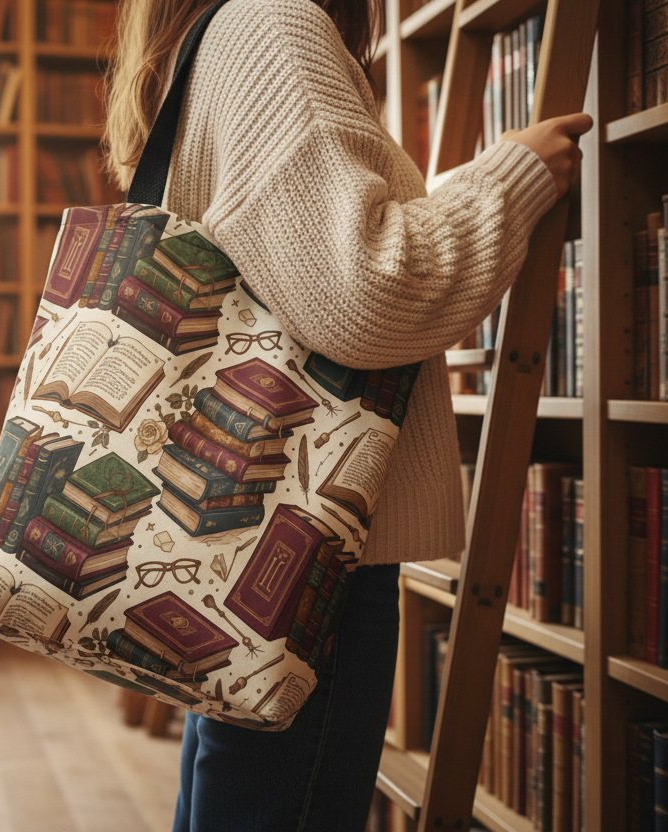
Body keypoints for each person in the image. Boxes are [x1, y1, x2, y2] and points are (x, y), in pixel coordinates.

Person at [102, 0, 593, 829]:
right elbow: (369, 294)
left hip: (239, 537)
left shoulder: (212, 34)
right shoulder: (272, 26)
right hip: (306, 544)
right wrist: (511, 174)